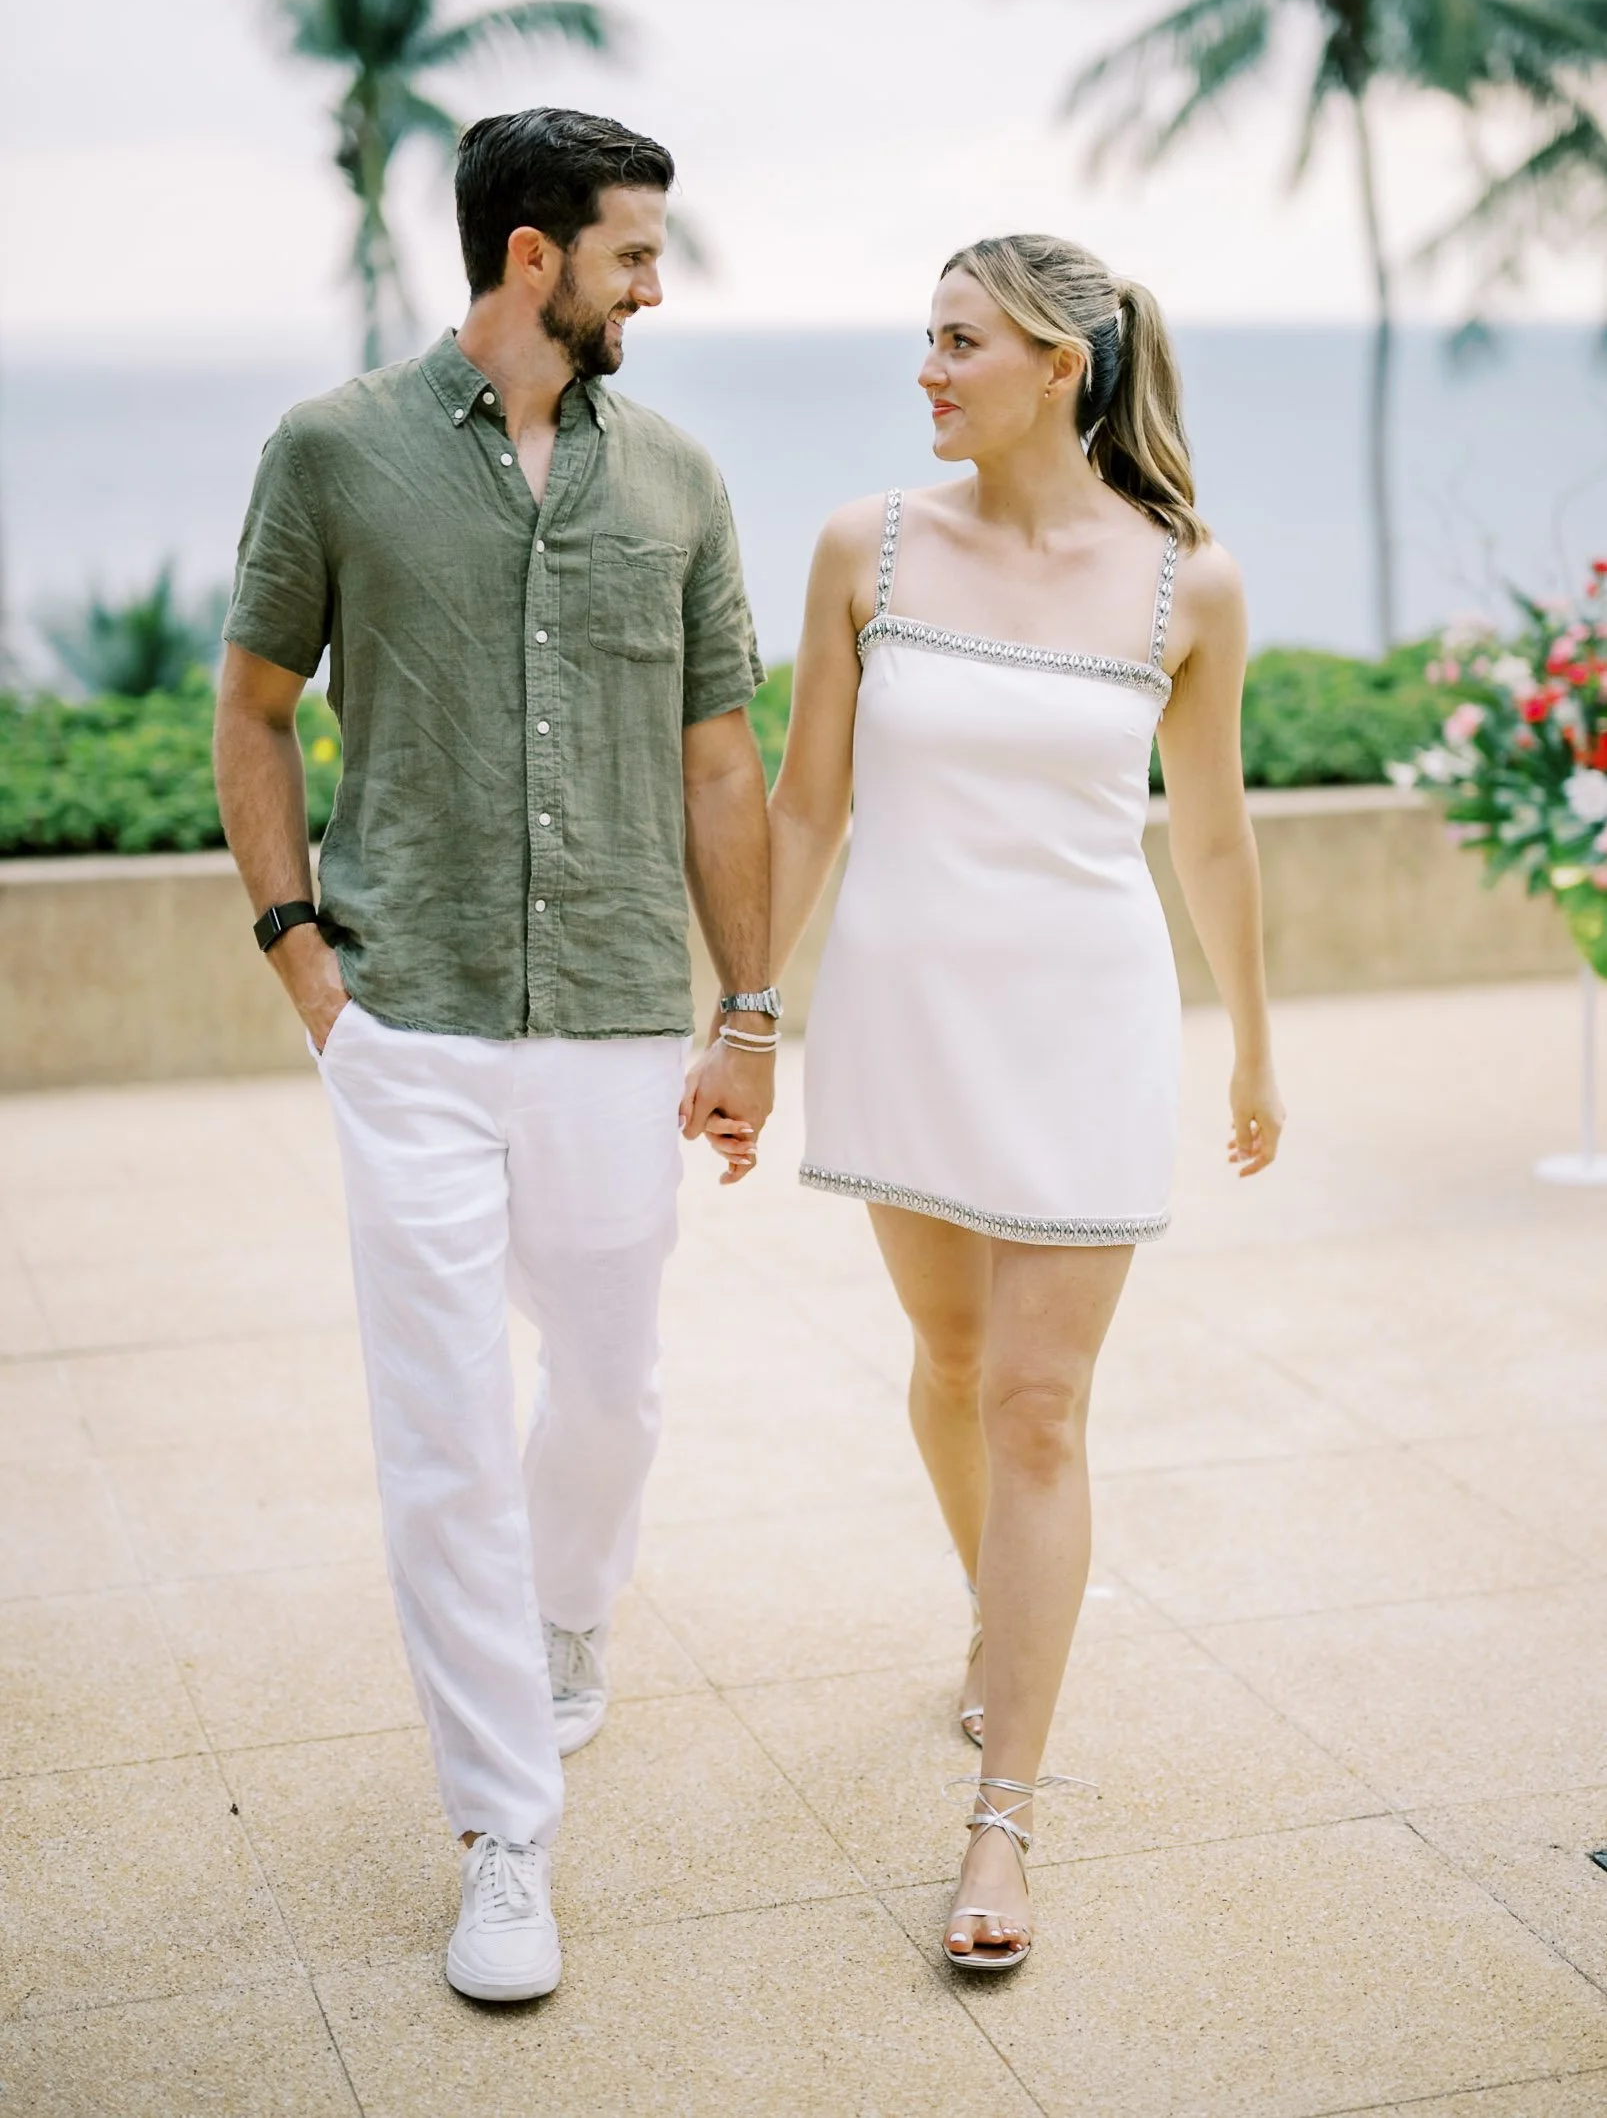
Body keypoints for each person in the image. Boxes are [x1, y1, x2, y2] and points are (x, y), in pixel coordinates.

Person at [213, 107, 780, 2005]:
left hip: (621, 1015)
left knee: (607, 1386)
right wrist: (305, 957)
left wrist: (751, 1008)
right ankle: (503, 1829)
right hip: (416, 1022)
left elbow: (722, 765)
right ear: (530, 256)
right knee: (443, 1424)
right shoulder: (334, 454)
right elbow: (256, 705)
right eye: (632, 253)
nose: (654, 284)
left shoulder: (683, 481)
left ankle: (566, 1614)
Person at [768, 233, 1283, 1971]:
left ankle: (1003, 1811)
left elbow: (1206, 830)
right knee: (954, 1369)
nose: (927, 368)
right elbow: (805, 807)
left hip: (1084, 1023)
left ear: (1060, 361)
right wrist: (747, 1012)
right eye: (925, 338)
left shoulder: (1183, 583)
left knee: (1043, 1408)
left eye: (958, 341)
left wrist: (1253, 1040)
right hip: (906, 1015)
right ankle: (1002, 1624)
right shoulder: (868, 545)